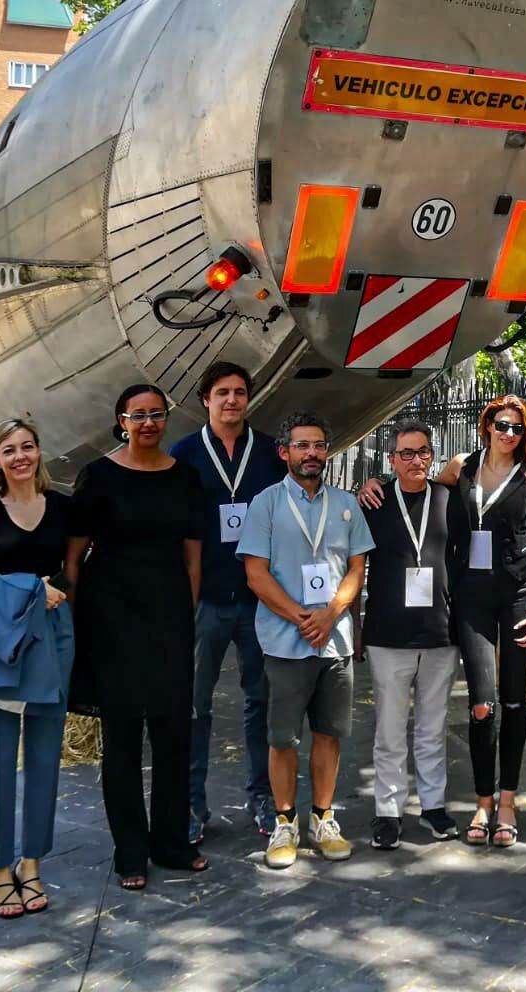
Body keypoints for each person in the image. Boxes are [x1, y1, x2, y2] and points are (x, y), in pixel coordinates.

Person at [360, 394, 526, 847]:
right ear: (485, 425)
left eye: (516, 427)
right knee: (481, 705)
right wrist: (372, 480)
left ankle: (504, 804)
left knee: (512, 703)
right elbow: (410, 484)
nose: (508, 433)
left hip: (518, 593)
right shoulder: (461, 468)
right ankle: (480, 803)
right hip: (470, 600)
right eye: (500, 424)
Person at [65, 385, 209, 890]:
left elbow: (194, 558)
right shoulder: (98, 476)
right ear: (121, 421)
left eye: (157, 414)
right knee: (123, 739)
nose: (149, 422)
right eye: (138, 415)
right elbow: (74, 556)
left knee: (174, 733)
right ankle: (130, 850)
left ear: (167, 419)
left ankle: (171, 842)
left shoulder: (186, 478)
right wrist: (74, 621)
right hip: (111, 618)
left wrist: (184, 613)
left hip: (169, 614)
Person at [238, 411, 374, 869]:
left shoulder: (346, 504)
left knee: (329, 734)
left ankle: (321, 818)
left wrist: (331, 613)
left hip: (333, 642)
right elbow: (255, 574)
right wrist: (301, 617)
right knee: (281, 739)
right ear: (285, 452)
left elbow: (357, 568)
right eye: (302, 445)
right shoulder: (266, 504)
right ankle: (283, 822)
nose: (312, 453)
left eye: (318, 445)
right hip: (284, 641)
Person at [169, 361, 283, 842]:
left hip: (259, 601)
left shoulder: (271, 454)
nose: (232, 400)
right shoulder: (185, 453)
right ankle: (193, 806)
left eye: (239, 392)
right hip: (206, 601)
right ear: (206, 400)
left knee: (261, 703)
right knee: (194, 707)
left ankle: (262, 800)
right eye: (222, 393)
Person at [0, 418, 74, 917]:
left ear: (39, 452)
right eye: (8, 450)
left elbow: (76, 569)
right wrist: (33, 587)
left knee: (46, 755)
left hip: (55, 631)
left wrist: (60, 594)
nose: (20, 457)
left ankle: (31, 863)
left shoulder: (63, 506)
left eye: (27, 447)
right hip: (3, 636)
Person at [359, 419, 460, 850]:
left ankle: (433, 806)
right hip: (387, 633)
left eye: (422, 452)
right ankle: (388, 810)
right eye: (406, 454)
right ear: (391, 460)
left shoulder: (450, 500)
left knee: (433, 727)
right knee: (390, 728)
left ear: (432, 455)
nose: (415, 461)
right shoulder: (373, 501)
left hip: (441, 631)